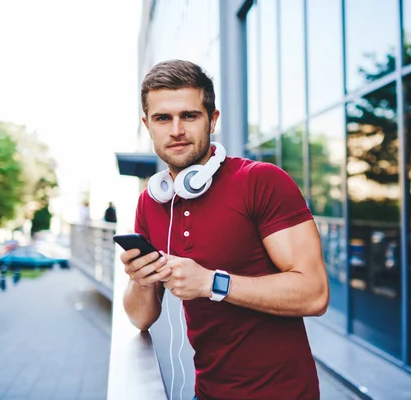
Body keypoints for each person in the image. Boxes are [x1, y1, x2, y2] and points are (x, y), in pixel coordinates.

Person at [121, 59, 329, 400]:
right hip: (207, 392)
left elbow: (315, 292)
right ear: (148, 125)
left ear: (212, 120)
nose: (176, 130)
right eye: (163, 118)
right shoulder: (152, 202)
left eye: (189, 116)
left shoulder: (260, 181)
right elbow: (141, 318)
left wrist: (212, 283)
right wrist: (141, 280)